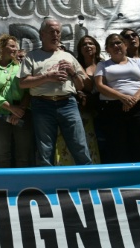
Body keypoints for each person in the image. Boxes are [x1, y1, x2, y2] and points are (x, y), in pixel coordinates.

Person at [18, 18, 92, 167]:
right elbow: (23, 83)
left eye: (58, 32)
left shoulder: (68, 56)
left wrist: (73, 72)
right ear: (41, 35)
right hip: (42, 105)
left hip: (68, 103)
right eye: (51, 31)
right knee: (45, 150)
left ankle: (89, 182)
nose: (56, 35)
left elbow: (80, 86)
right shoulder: (31, 57)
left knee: (79, 145)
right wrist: (47, 77)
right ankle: (48, 187)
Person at [94, 34, 140, 163]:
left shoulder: (138, 62)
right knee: (118, 149)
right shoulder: (102, 65)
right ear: (107, 49)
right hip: (113, 111)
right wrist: (122, 97)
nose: (116, 46)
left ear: (125, 45)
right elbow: (100, 85)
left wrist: (133, 99)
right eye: (112, 44)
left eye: (118, 43)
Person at [0, 34, 33, 168]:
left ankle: (24, 187)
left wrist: (19, 110)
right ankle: (3, 187)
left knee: (23, 156)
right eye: (12, 46)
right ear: (1, 48)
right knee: (3, 156)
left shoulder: (21, 67)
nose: (15, 49)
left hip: (22, 114)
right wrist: (11, 108)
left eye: (16, 47)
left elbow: (29, 91)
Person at [57, 35, 102, 165]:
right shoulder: (77, 64)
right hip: (80, 109)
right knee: (77, 143)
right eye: (84, 45)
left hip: (100, 109)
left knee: (96, 143)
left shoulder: (104, 63)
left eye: (90, 43)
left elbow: (93, 85)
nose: (87, 46)